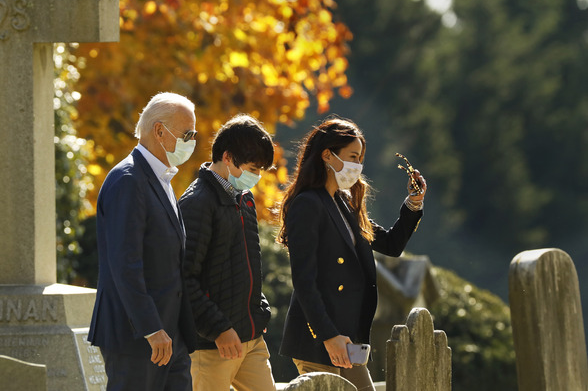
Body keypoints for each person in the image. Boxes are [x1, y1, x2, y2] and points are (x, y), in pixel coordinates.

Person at [277, 116, 426, 390]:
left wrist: (413, 205)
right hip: (321, 340)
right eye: (352, 156)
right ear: (327, 155)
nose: (357, 166)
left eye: (360, 159)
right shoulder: (307, 205)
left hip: (350, 340)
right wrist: (328, 335)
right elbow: (304, 281)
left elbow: (391, 245)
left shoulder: (344, 202)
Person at [88, 92, 198, 391]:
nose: (192, 141)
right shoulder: (128, 179)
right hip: (138, 335)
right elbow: (125, 264)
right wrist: (151, 328)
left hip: (170, 334)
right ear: (159, 131)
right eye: (187, 133)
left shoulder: (161, 179)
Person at [178, 115, 277, 391]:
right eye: (252, 168)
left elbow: (248, 264)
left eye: (261, 170)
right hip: (211, 347)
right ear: (228, 157)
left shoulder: (244, 196)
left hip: (251, 339)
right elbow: (185, 280)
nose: (257, 176)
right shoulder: (197, 203)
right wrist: (219, 329)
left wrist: (259, 312)